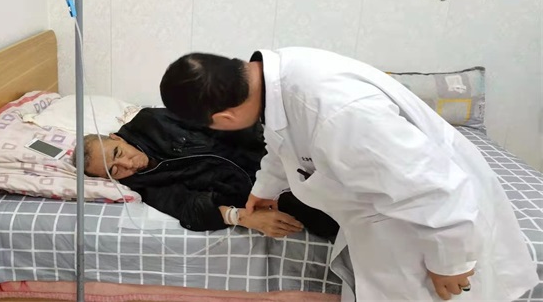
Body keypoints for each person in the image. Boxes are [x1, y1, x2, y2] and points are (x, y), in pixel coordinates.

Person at [159, 48, 538, 302]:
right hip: (390, 213)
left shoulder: (340, 114)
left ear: (224, 118)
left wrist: (450, 262)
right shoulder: (272, 80)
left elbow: (434, 190)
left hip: (429, 228)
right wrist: (265, 188)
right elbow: (282, 141)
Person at [79, 106, 338, 239]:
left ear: (116, 137)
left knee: (335, 165)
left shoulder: (151, 121)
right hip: (260, 196)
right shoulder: (143, 186)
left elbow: (221, 122)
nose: (128, 165)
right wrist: (244, 218)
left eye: (118, 153)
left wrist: (278, 146)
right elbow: (190, 209)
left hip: (269, 154)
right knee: (328, 219)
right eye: (115, 171)